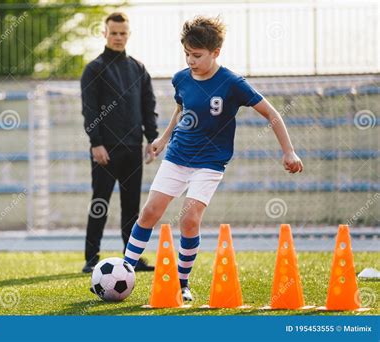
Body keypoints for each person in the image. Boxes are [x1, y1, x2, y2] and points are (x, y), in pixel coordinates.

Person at [123, 16, 304, 301]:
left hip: (209, 163)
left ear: (215, 52)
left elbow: (273, 114)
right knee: (149, 213)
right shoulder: (181, 78)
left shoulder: (232, 83)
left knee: (189, 220)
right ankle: (124, 271)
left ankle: (182, 284)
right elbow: (181, 110)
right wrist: (163, 138)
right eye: (187, 54)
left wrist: (288, 151)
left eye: (197, 55)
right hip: (177, 155)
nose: (190, 61)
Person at [81, 12, 158, 273]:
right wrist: (96, 143)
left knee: (132, 207)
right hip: (105, 150)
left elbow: (149, 106)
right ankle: (91, 258)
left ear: (128, 35)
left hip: (133, 149)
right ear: (104, 33)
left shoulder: (138, 68)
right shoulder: (94, 68)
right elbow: (89, 110)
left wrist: (152, 139)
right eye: (113, 33)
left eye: (122, 33)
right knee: (100, 203)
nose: (118, 37)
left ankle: (132, 258)